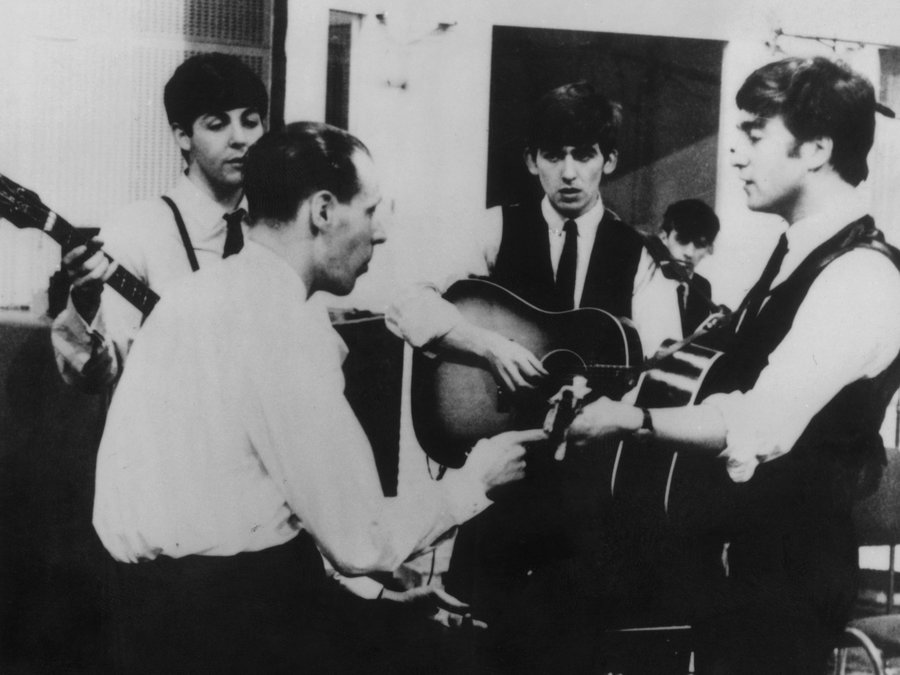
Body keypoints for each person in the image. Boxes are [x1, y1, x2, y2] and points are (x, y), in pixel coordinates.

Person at [92, 121, 546, 673]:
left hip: (154, 617)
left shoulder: (201, 294)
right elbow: (358, 540)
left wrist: (369, 604)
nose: (381, 233)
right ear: (324, 211)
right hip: (225, 627)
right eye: (373, 210)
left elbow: (236, 505)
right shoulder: (279, 324)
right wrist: (475, 482)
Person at [567, 56, 900, 674]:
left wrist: (629, 419)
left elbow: (758, 423)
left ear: (817, 149)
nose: (736, 154)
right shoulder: (795, 254)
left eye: (754, 133)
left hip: (787, 579)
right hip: (740, 560)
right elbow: (720, 377)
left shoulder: (864, 275)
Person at [386, 80, 668, 672]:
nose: (569, 172)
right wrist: (485, 345)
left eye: (584, 155)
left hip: (590, 500)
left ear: (608, 161)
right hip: (498, 486)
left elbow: (661, 362)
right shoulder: (493, 229)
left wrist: (617, 402)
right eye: (554, 155)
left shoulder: (639, 256)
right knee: (480, 650)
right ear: (531, 161)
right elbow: (406, 303)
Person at [51, 52, 267, 391]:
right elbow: (96, 377)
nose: (240, 138)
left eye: (251, 122)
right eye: (217, 124)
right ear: (182, 136)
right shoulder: (136, 231)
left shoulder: (279, 228)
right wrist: (86, 303)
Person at [633, 198, 721, 356]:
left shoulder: (702, 286)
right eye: (682, 240)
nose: (689, 253)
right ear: (664, 237)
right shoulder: (644, 273)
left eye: (700, 244)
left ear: (709, 248)